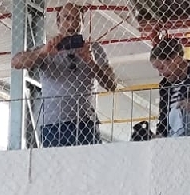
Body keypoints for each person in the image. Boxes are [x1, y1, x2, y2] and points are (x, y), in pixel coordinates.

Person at [11, 3, 118, 147]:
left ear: (82, 22)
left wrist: (91, 62)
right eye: (67, 18)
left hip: (85, 123)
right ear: (58, 22)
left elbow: (112, 84)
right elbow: (16, 62)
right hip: (53, 124)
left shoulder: (94, 49)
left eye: (76, 19)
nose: (72, 23)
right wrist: (43, 52)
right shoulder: (47, 49)